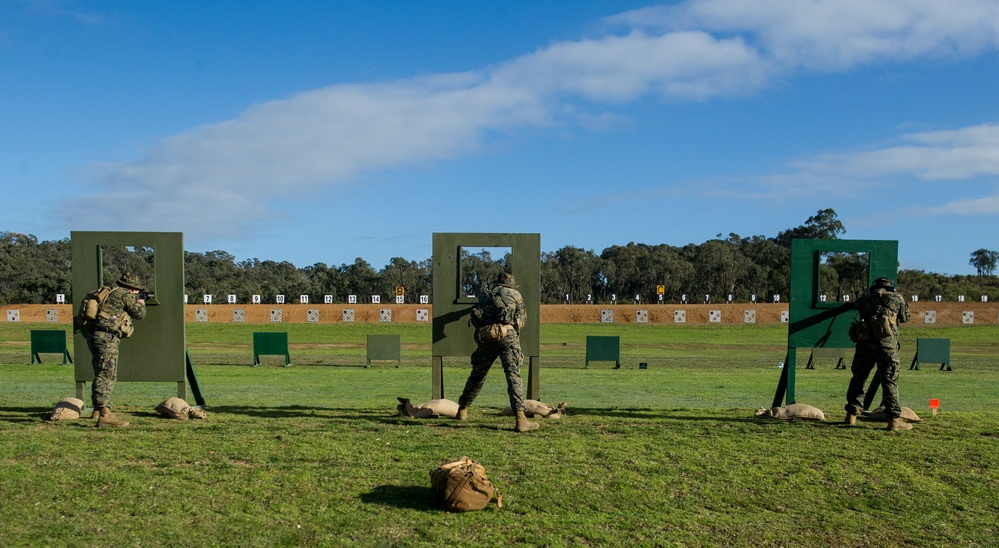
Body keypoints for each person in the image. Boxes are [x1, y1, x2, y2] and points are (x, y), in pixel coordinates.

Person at [456, 272, 539, 433]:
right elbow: (522, 321)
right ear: (511, 284)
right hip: (508, 338)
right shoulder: (515, 295)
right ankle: (521, 419)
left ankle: (462, 409)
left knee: (477, 376)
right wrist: (510, 325)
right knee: (513, 376)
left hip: (487, 338)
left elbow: (477, 318)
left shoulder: (486, 295)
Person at [844, 277, 911, 431]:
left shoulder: (865, 299)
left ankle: (851, 416)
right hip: (887, 345)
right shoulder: (897, 298)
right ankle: (893, 420)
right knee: (889, 381)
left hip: (865, 345)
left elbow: (855, 306)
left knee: (858, 378)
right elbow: (905, 317)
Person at [84, 272, 147, 427]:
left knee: (100, 372)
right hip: (107, 338)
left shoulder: (110, 293)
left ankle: (98, 410)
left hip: (95, 336)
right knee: (106, 376)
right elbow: (140, 314)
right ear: (132, 288)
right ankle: (105, 415)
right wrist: (141, 302)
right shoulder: (125, 295)